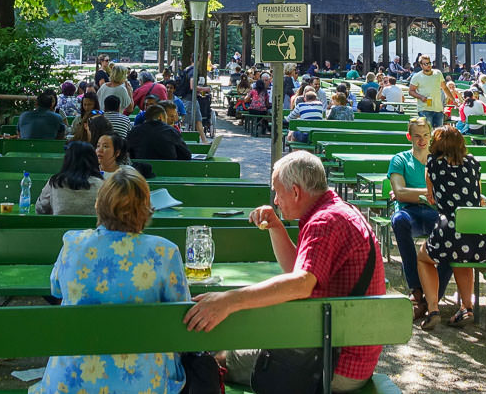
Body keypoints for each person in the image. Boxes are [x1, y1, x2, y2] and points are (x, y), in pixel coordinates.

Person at [184, 152, 386, 393]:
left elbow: (300, 284)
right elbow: (301, 273)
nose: (276, 201)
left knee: (213, 360)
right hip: (346, 353)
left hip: (332, 365)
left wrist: (229, 300)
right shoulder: (338, 211)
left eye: (278, 192)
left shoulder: (324, 221)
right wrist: (277, 227)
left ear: (296, 191)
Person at [36, 168, 186, 394]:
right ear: (146, 208)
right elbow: (179, 314)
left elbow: (56, 289)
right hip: (144, 382)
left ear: (99, 204)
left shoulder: (73, 243)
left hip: (71, 381)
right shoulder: (165, 252)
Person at [416, 125, 486, 329]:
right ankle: (466, 307)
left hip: (450, 230)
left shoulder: (433, 163)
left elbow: (431, 197)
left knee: (424, 258)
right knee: (461, 258)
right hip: (480, 235)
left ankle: (433, 308)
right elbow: (478, 195)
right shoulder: (473, 162)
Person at [386, 118, 449, 320]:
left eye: (425, 135)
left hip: (433, 213)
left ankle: (433, 297)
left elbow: (446, 193)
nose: (422, 140)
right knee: (399, 221)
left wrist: (414, 193)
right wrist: (432, 192)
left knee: (453, 232)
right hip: (409, 212)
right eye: (417, 136)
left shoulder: (439, 160)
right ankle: (416, 291)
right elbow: (400, 193)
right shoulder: (400, 159)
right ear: (409, 137)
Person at [37, 141, 105, 215]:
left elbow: (40, 209)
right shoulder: (101, 184)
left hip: (59, 226)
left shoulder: (56, 182)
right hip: (93, 226)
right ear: (93, 160)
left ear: (67, 159)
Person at [408, 54, 457, 130]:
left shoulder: (438, 73)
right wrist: (421, 97)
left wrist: (453, 100)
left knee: (439, 134)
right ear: (421, 65)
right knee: (427, 132)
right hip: (424, 109)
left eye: (429, 63)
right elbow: (411, 91)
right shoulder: (417, 77)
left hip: (438, 109)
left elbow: (445, 88)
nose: (428, 65)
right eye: (426, 64)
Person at [128, 104, 193, 160]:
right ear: (160, 117)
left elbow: (129, 153)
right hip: (169, 171)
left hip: (141, 171)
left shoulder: (134, 131)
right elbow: (186, 155)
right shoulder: (171, 131)